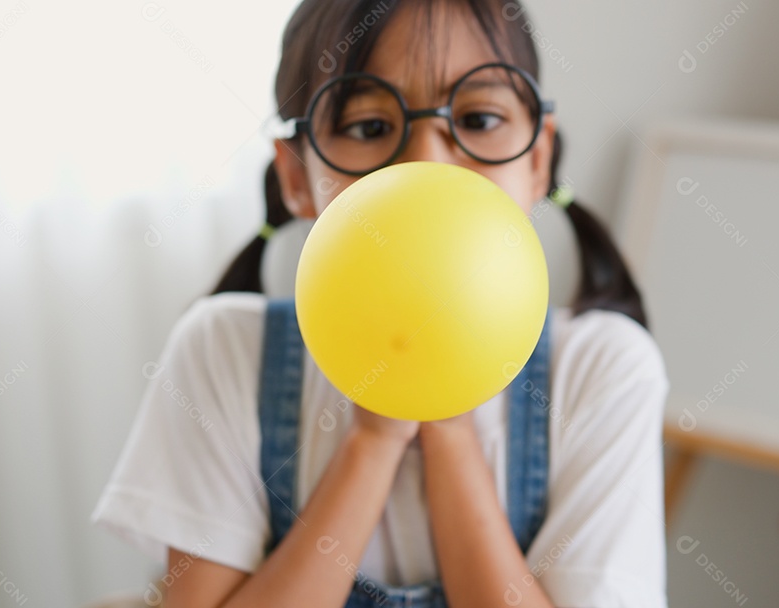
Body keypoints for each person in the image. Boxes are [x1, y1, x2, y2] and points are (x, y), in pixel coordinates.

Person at [91, 0, 669, 606]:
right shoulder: (222, 351)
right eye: (369, 127)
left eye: (477, 119)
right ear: (296, 177)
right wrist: (374, 436)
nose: (427, 165)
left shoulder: (603, 368)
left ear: (538, 159)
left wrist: (447, 420)